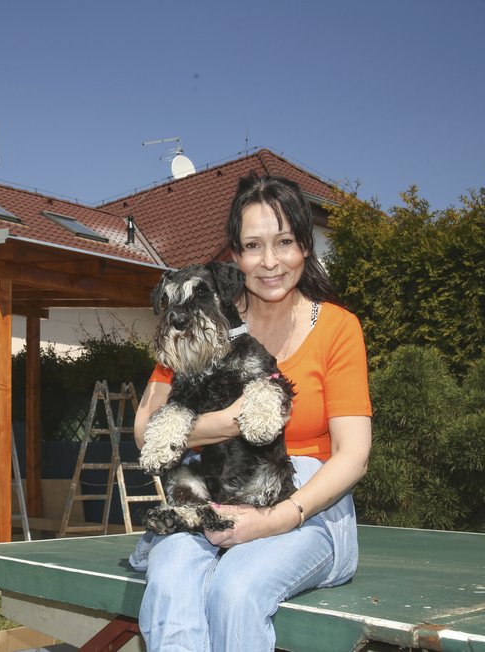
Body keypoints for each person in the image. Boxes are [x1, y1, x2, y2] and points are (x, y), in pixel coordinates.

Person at [131, 174, 373, 651]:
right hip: (214, 488)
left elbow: (353, 455)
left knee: (237, 588)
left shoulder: (339, 329)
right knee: (171, 576)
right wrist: (225, 423)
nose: (269, 262)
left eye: (284, 242)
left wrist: (280, 518)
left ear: (305, 245)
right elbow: (146, 429)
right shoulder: (200, 316)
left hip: (307, 499)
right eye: (252, 245)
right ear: (235, 257)